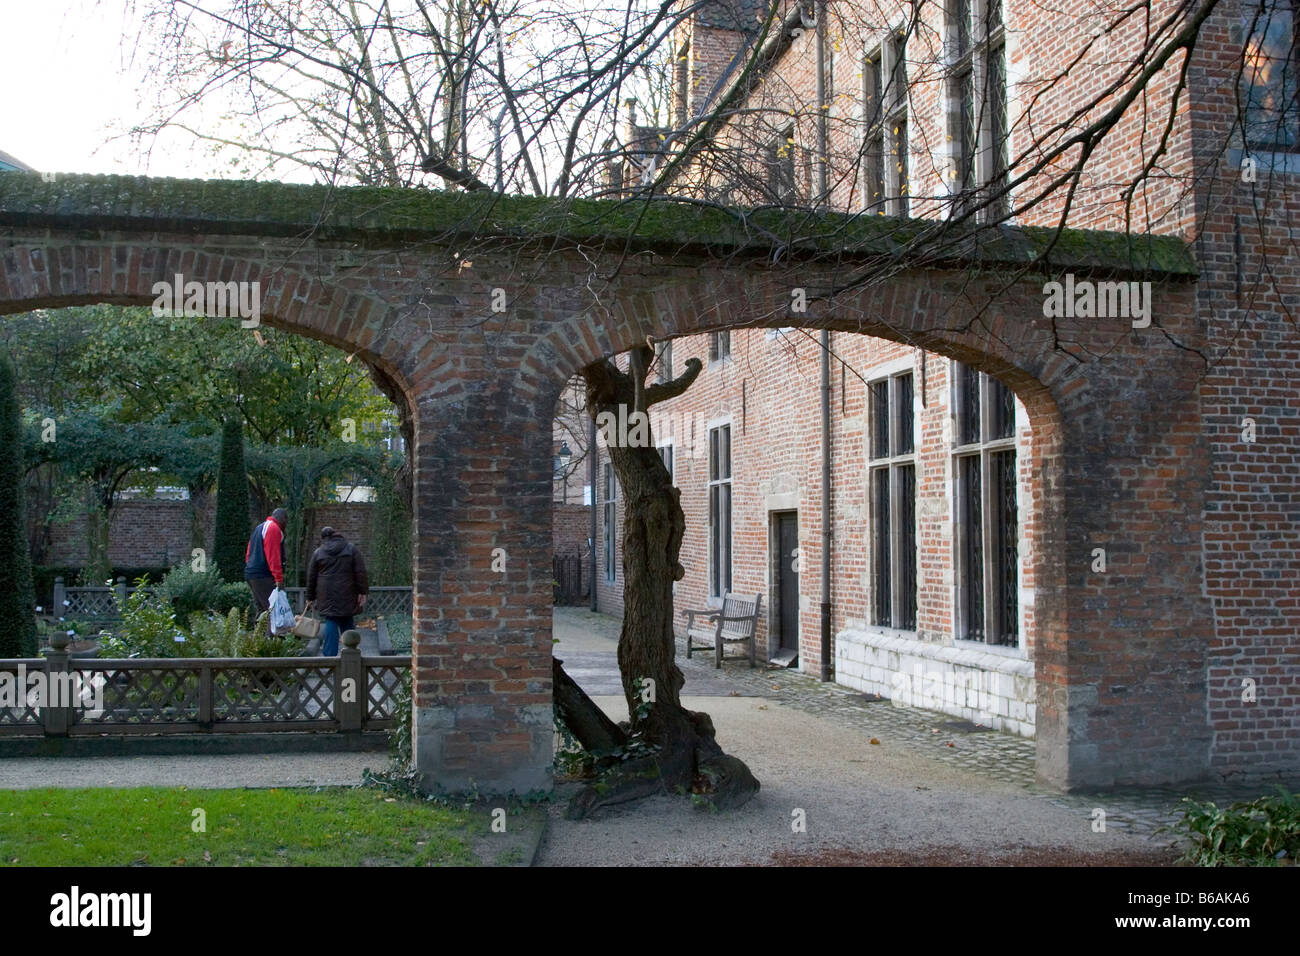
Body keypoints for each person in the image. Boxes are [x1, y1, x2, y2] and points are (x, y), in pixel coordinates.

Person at [305, 526, 369, 656]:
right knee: (347, 619)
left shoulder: (319, 552)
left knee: (331, 620)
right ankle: (352, 653)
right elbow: (360, 572)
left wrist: (310, 597)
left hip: (326, 594)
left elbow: (311, 577)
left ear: (323, 538)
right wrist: (362, 591)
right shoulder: (351, 549)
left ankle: (330, 658)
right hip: (348, 592)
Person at [244, 508, 288, 615]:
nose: (286, 524)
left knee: (262, 610)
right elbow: (273, 556)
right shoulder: (274, 529)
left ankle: (258, 631)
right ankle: (270, 632)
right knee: (271, 611)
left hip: (252, 573)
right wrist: (278, 578)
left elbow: (248, 553)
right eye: (287, 520)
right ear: (282, 519)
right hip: (264, 575)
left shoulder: (259, 528)